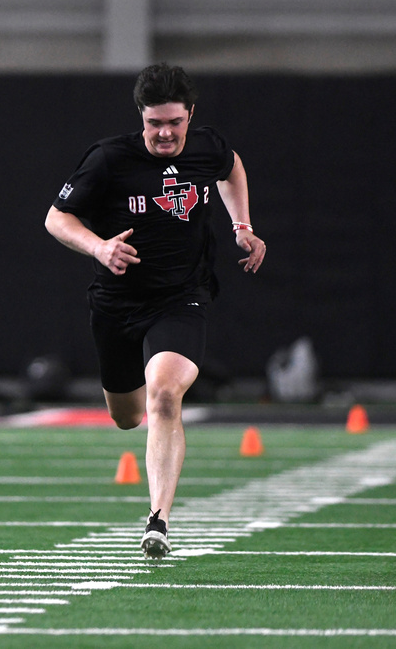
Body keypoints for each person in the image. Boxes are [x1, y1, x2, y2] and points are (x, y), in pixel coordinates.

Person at [44, 64, 266, 558]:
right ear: (140, 119)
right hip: (118, 303)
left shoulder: (207, 146)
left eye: (174, 123)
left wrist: (241, 225)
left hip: (181, 297)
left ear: (190, 116)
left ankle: (158, 520)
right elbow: (56, 217)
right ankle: (143, 393)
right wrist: (99, 247)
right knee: (127, 418)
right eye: (154, 124)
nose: (165, 133)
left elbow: (231, 167)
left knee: (164, 397)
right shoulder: (108, 159)